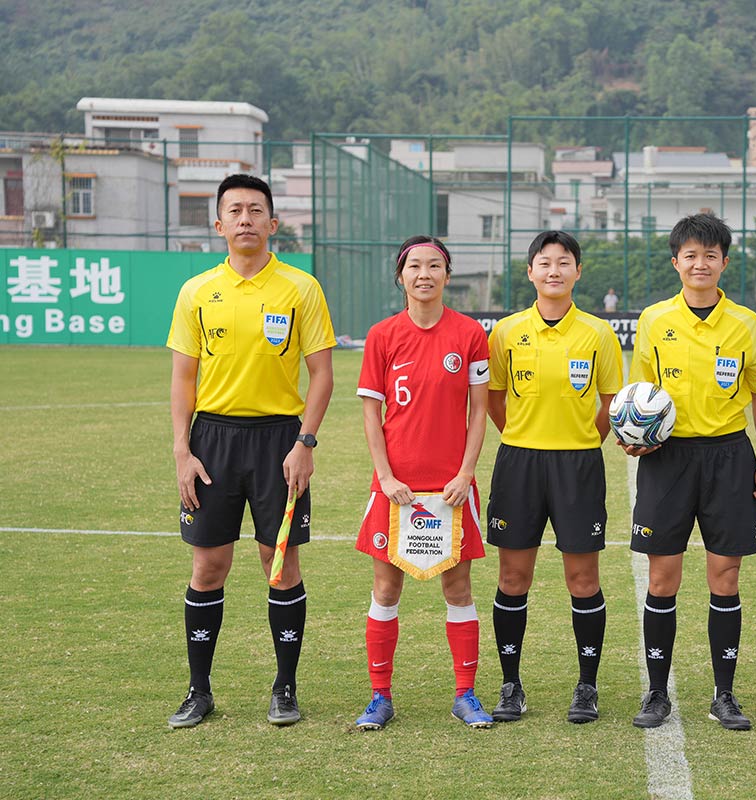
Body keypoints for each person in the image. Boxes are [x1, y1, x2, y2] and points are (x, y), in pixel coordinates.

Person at [166, 173, 335, 728]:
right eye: (235, 210)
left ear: (273, 223)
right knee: (208, 565)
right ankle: (198, 691)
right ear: (219, 224)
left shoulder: (301, 288)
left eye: (255, 210)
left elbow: (322, 374)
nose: (245, 219)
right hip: (212, 441)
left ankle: (285, 688)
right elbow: (183, 380)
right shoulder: (196, 291)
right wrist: (182, 451)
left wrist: (305, 442)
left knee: (278, 562)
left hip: (279, 443)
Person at [623, 213, 756, 731]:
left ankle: (723, 695)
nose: (700, 264)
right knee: (662, 578)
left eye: (710, 255)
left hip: (729, 457)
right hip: (666, 458)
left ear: (724, 262)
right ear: (676, 262)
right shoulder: (654, 320)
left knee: (725, 576)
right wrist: (633, 434)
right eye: (690, 255)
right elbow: (639, 394)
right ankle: (656, 693)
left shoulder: (746, 323)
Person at [352, 235, 494, 731]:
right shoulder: (382, 335)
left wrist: (465, 473)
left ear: (447, 275)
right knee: (385, 588)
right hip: (396, 489)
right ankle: (380, 697)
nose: (424, 274)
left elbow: (479, 411)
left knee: (459, 587)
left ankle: (465, 694)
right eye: (414, 266)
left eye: (435, 265)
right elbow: (371, 415)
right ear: (401, 276)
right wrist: (387, 477)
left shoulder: (470, 334)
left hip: (451, 488)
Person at [486, 231, 623, 723]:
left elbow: (611, 402)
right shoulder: (506, 332)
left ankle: (587, 687)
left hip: (578, 465)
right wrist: (523, 436)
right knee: (512, 577)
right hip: (519, 463)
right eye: (544, 263)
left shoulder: (598, 333)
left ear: (578, 272)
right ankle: (510, 685)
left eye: (564, 262)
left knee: (583, 579)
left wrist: (582, 442)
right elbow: (494, 399)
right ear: (530, 272)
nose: (554, 271)